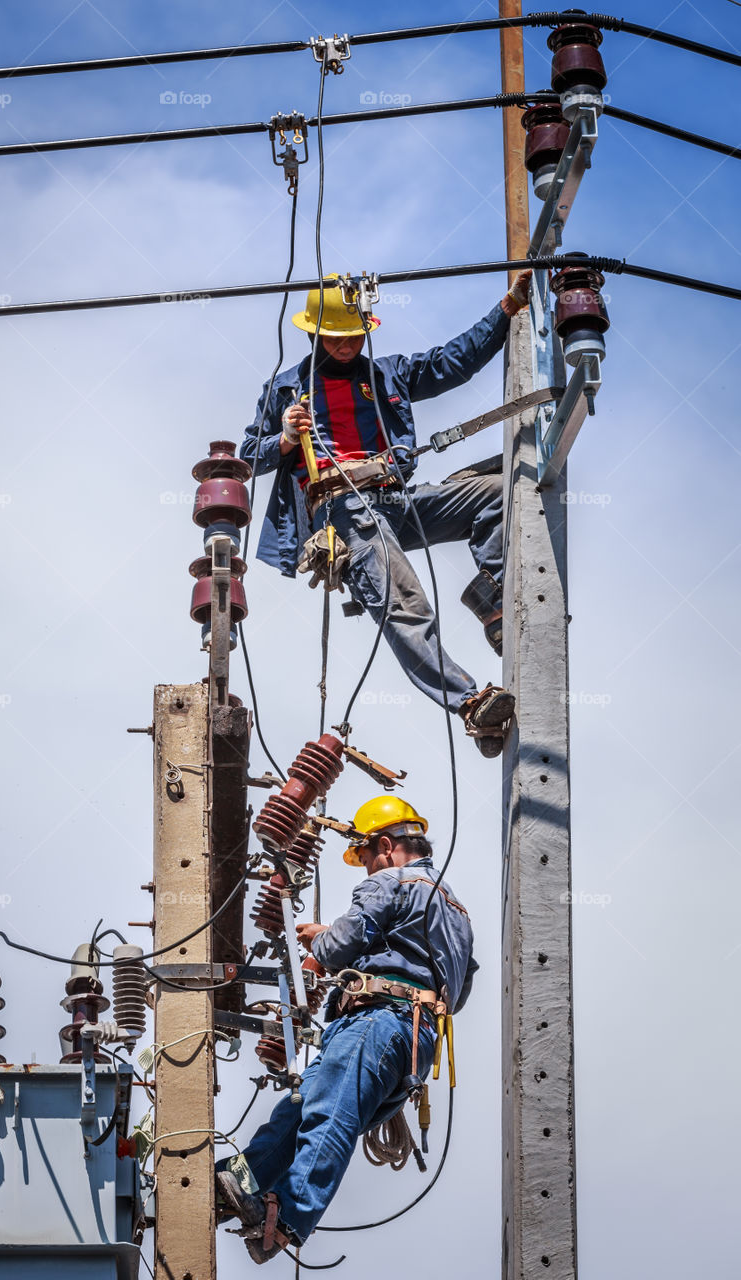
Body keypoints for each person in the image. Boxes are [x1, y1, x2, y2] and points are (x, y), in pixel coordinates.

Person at [239, 269, 533, 757]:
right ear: (314, 333)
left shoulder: (387, 374)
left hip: (396, 499)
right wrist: (286, 437)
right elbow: (249, 457)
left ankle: (493, 601)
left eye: (355, 336)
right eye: (336, 338)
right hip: (343, 510)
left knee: (498, 492)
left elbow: (451, 363)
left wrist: (505, 310)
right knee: (405, 604)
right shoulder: (286, 391)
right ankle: (470, 703)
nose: (348, 346)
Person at [216, 796, 478, 1263]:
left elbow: (346, 940)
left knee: (326, 1118)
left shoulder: (392, 880)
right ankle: (232, 1183)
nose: (364, 870)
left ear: (384, 845)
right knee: (296, 1113)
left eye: (363, 859)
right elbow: (459, 986)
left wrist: (322, 940)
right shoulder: (457, 911)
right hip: (414, 1042)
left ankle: (287, 1218)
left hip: (377, 1023)